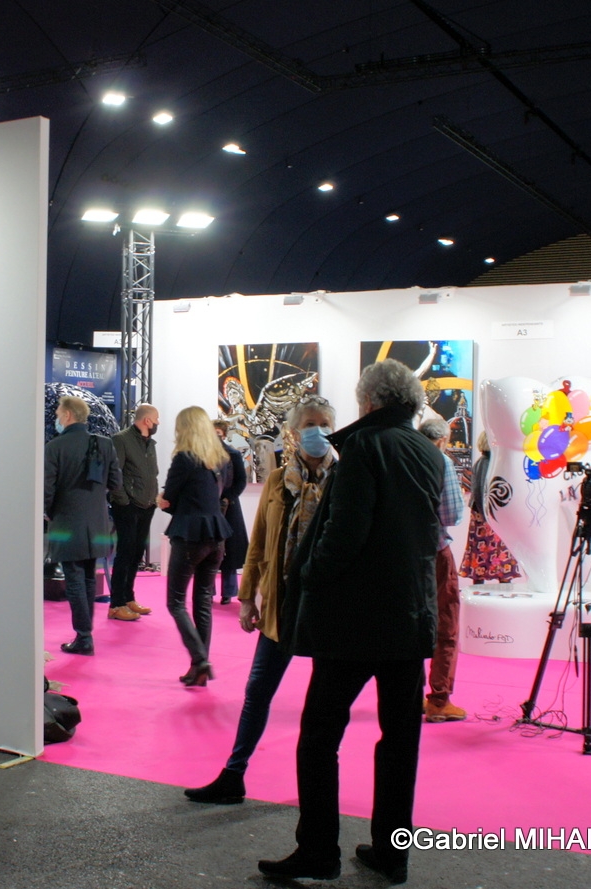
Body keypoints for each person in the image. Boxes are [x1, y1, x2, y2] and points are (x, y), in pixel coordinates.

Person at [259, 360, 442, 886]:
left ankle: (318, 850)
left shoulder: (364, 447)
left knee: (319, 737)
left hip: (355, 621)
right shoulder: (427, 451)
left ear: (369, 401)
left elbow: (344, 532)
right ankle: (392, 851)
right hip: (409, 616)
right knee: (400, 741)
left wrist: (306, 574)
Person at [187, 397, 336, 805]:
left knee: (323, 706)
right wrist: (247, 597)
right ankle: (234, 774)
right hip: (280, 603)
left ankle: (317, 792)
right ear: (294, 431)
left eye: (324, 423)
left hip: (326, 608)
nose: (318, 431)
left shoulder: (344, 480)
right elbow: (258, 545)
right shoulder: (277, 482)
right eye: (310, 423)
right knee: (258, 690)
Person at [44, 395, 122, 654]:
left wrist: (48, 513)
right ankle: (85, 634)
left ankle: (84, 636)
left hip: (67, 522)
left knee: (75, 579)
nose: (56, 418)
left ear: (67, 415)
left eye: (58, 414)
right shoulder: (104, 444)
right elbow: (116, 483)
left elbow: (47, 489)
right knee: (89, 576)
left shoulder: (55, 447)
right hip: (97, 522)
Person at [158, 405, 229, 686]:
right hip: (216, 536)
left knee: (175, 602)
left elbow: (169, 497)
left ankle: (200, 660)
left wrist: (163, 501)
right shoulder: (219, 459)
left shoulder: (184, 458)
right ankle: (199, 666)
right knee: (203, 601)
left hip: (190, 537)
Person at [417, 419, 467, 724]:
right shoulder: (441, 462)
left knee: (409, 623)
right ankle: (438, 699)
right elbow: (452, 513)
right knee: (446, 624)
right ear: (442, 441)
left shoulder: (400, 458)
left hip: (401, 553)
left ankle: (408, 694)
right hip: (434, 551)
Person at [107, 405, 159, 622]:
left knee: (136, 554)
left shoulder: (150, 443)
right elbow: (114, 473)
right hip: (128, 507)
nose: (158, 423)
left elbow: (152, 474)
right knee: (125, 553)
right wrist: (124, 501)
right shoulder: (121, 439)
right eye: (156, 419)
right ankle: (116, 604)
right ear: (147, 420)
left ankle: (128, 598)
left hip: (147, 506)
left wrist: (153, 499)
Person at [457, 432, 521, 584]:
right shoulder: (487, 463)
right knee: (495, 553)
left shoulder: (484, 462)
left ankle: (484, 585)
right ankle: (500, 585)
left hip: (485, 515)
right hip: (487, 516)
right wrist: (488, 515)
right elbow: (481, 491)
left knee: (482, 554)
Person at [214, 419, 249, 604]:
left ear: (224, 435)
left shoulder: (234, 454)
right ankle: (207, 590)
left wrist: (228, 498)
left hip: (229, 507)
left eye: (218, 434)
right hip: (209, 507)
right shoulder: (202, 454)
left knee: (230, 551)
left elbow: (241, 481)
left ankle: (228, 591)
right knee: (208, 549)